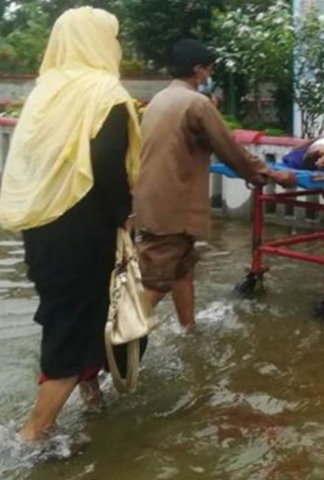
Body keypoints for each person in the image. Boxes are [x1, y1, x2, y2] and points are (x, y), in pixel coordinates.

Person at [0, 7, 142, 441]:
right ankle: (32, 437)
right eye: (112, 36)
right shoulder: (105, 95)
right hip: (86, 231)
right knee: (72, 326)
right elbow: (105, 166)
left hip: (42, 225)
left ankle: (92, 396)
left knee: (69, 311)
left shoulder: (46, 92)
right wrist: (126, 218)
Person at [132, 39, 294, 333]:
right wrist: (270, 174)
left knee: (182, 269)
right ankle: (106, 349)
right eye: (209, 71)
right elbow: (228, 147)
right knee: (157, 282)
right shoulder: (196, 103)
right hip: (172, 208)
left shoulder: (162, 98)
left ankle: (188, 329)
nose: (210, 77)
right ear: (198, 70)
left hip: (153, 202)